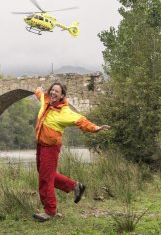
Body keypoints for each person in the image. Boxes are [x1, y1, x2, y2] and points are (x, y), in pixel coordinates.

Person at [32, 82, 110, 222]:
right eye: (52, 90)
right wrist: (37, 89)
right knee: (45, 174)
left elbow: (81, 121)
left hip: (51, 148)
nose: (53, 93)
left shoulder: (65, 112)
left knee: (45, 178)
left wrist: (95, 128)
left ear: (62, 95)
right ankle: (75, 186)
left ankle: (49, 211)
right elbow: (40, 95)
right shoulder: (46, 100)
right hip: (40, 145)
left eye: (57, 91)